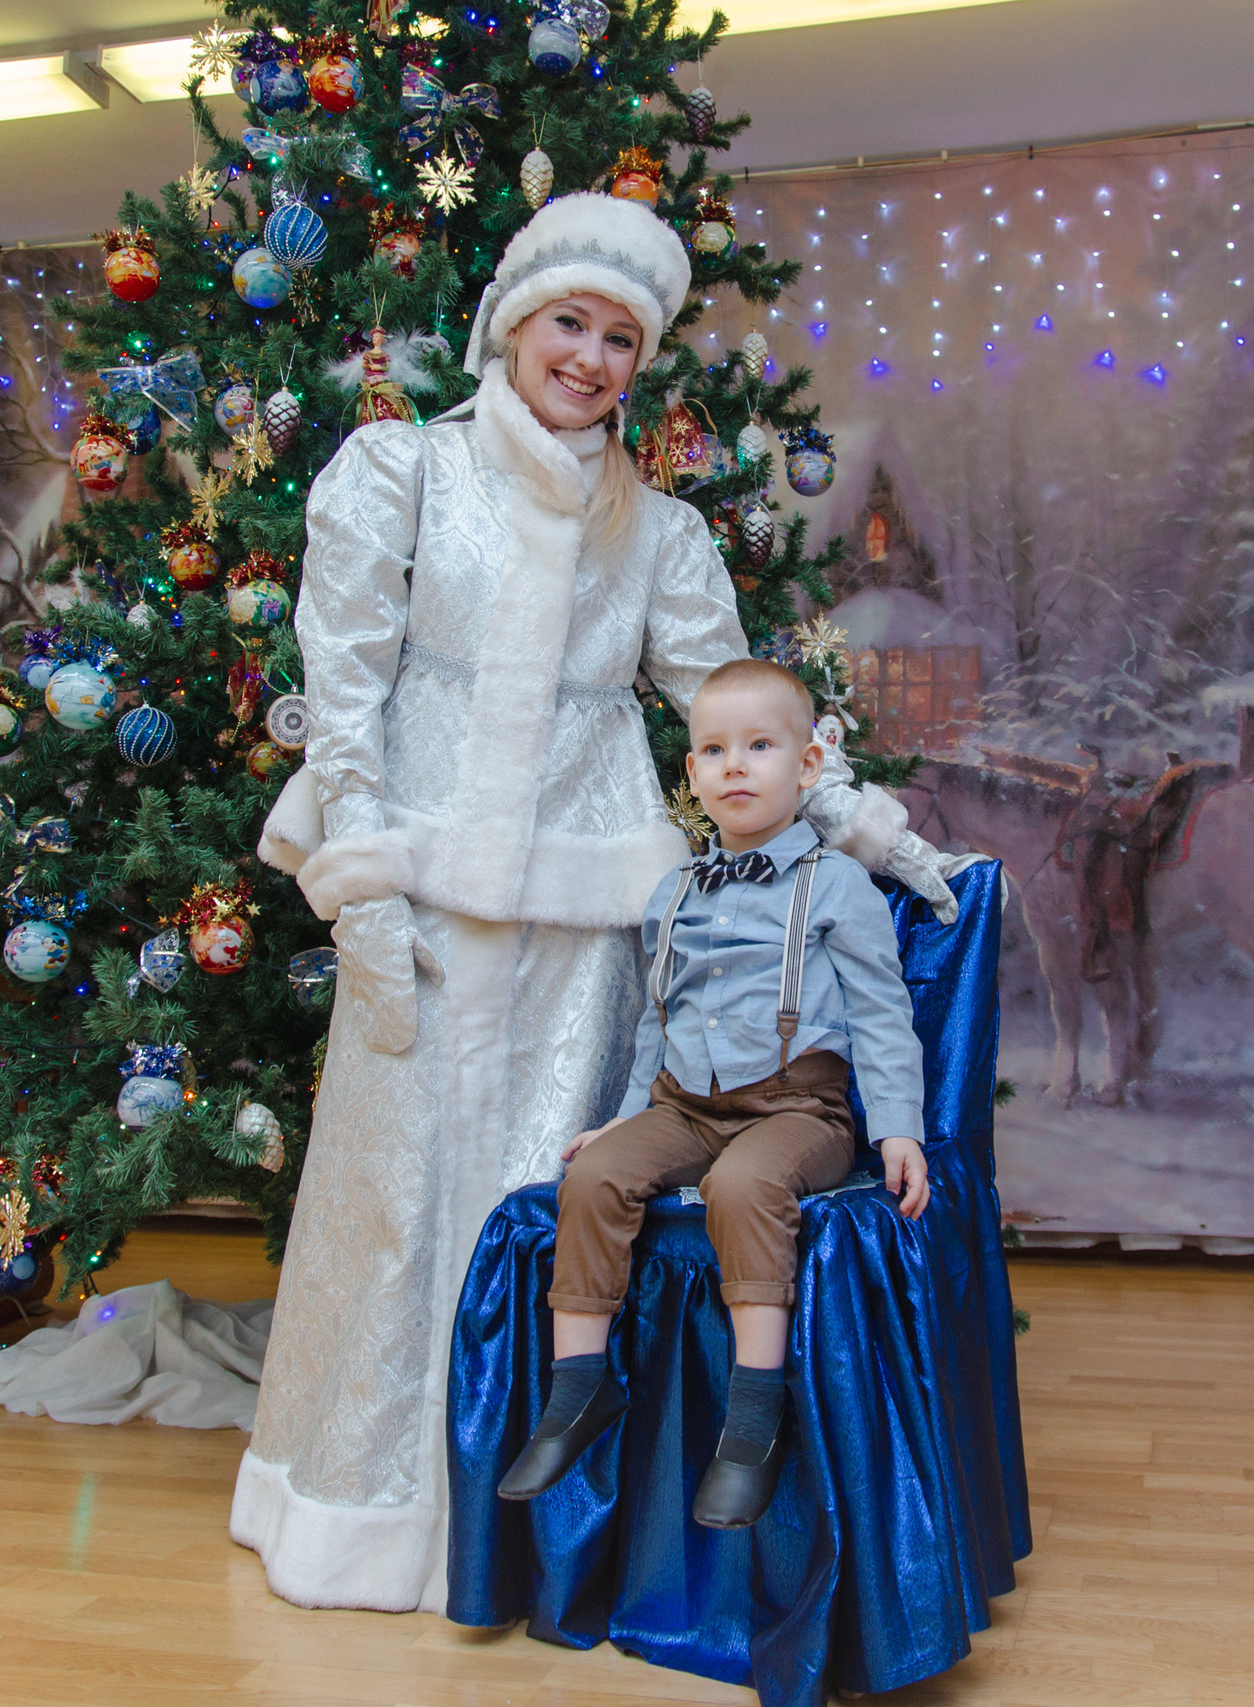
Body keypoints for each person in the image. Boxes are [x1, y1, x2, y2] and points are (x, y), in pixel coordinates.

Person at [236, 192, 971, 1613]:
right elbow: (346, 687)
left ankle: (525, 1532)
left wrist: (865, 821)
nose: (591, 356)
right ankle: (368, 1508)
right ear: (517, 323)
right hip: (420, 898)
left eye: (621, 337)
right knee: (391, 1207)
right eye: (570, 321)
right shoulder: (401, 471)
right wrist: (363, 879)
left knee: (545, 1201)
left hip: (586, 922)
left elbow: (739, 720)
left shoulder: (663, 533)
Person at [497, 657, 928, 1527]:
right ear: (691, 772)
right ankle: (578, 1391)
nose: (736, 765)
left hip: (800, 1109)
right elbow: (657, 1023)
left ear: (808, 765)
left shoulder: (836, 885)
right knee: (595, 1176)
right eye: (715, 750)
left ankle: (753, 1419)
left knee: (743, 1183)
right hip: (685, 1104)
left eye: (760, 746)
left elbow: (884, 1017)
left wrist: (898, 1130)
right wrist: (622, 1120)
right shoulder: (676, 893)